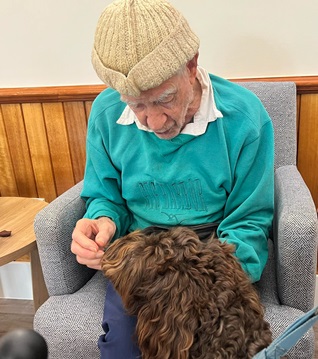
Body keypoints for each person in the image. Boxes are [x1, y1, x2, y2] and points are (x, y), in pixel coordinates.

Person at [71, 0, 274, 357]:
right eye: (137, 106)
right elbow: (105, 196)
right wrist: (101, 220)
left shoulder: (245, 118)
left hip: (217, 249)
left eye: (165, 99)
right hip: (142, 249)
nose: (154, 123)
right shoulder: (105, 114)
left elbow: (249, 221)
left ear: (192, 64)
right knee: (123, 349)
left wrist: (200, 287)